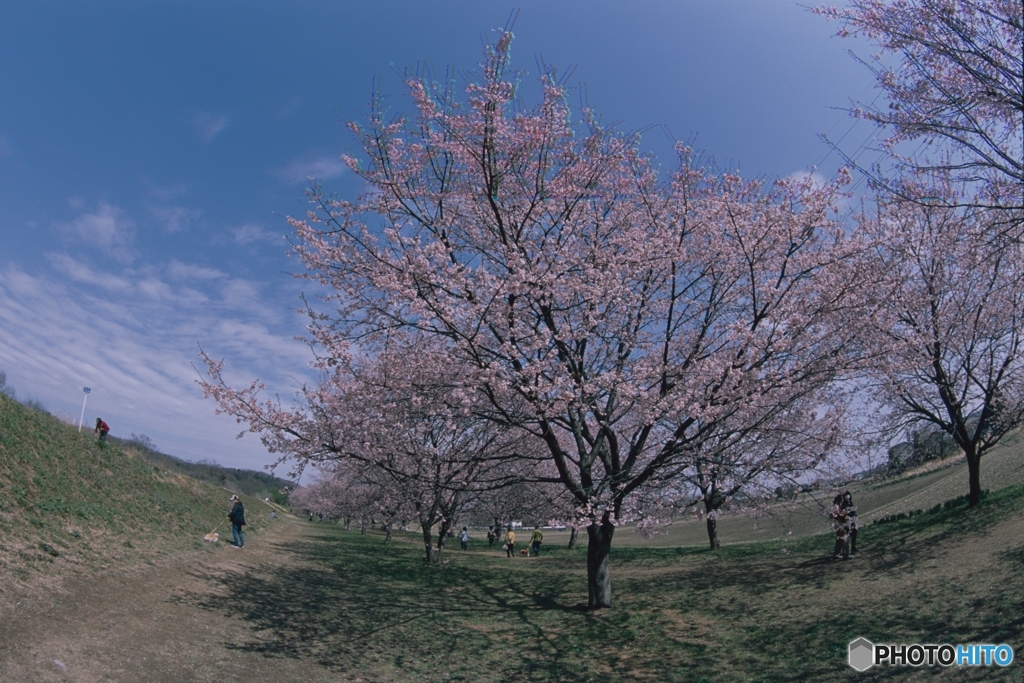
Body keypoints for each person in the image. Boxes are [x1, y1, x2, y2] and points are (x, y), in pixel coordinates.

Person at [841, 490, 858, 555]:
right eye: (845, 495)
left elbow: (853, 510)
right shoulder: (844, 504)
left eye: (848, 494)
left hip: (852, 520)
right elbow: (845, 512)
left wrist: (855, 516)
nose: (847, 496)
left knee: (855, 532)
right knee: (849, 535)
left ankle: (853, 547)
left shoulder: (850, 502)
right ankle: (848, 550)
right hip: (847, 521)